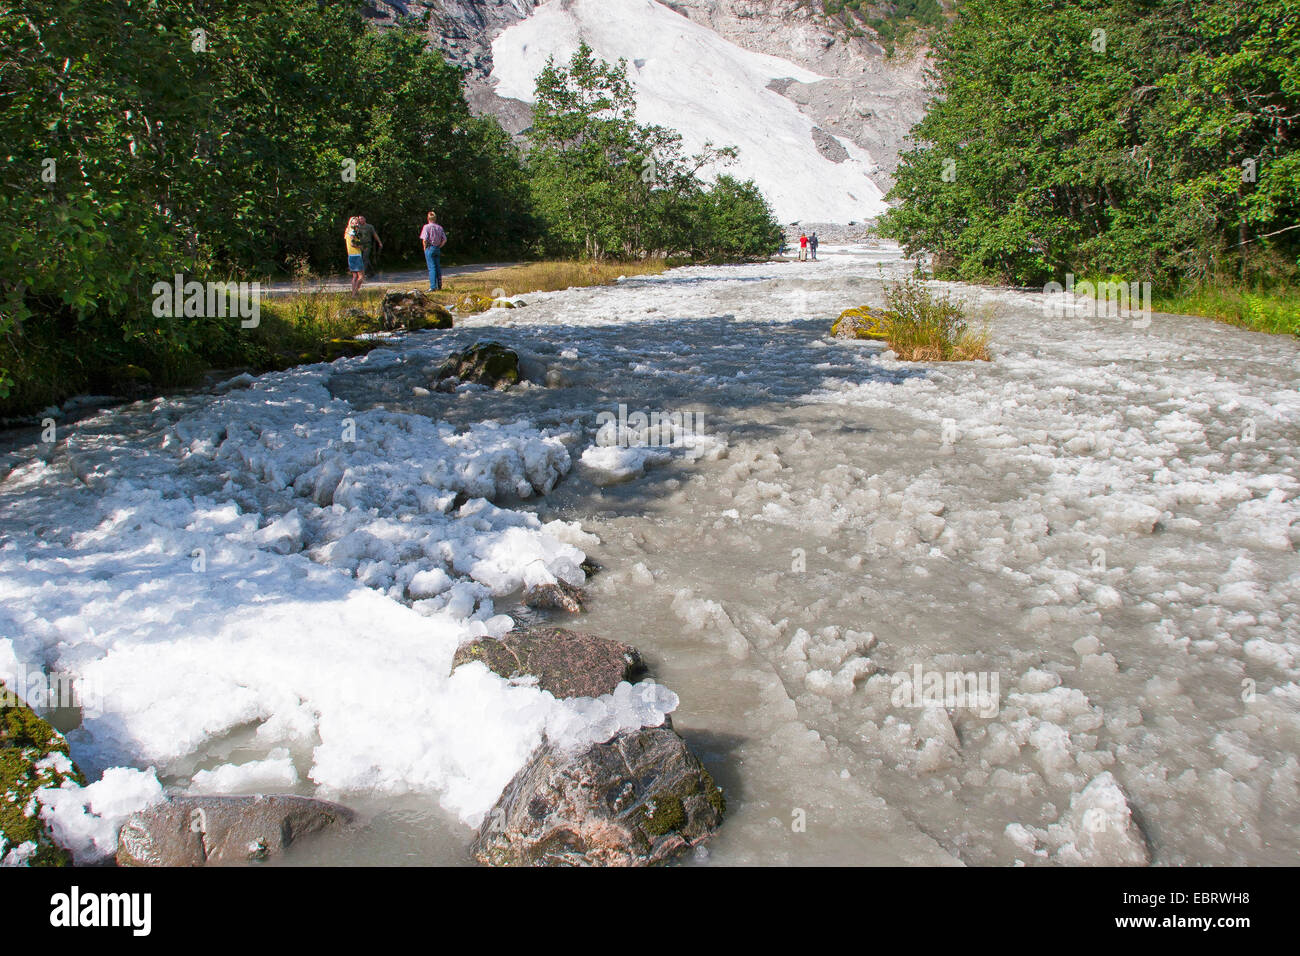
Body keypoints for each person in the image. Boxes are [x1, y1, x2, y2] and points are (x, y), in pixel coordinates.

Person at [420, 212, 448, 291]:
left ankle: (432, 287)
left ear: (428, 218)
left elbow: (425, 239)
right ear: (435, 218)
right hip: (437, 248)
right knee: (437, 267)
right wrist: (439, 246)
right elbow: (445, 239)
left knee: (431, 268)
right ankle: (439, 285)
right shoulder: (439, 227)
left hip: (430, 247)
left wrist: (424, 248)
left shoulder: (426, 227)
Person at [344, 216, 366, 294]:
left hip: (350, 256)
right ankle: (355, 292)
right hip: (356, 255)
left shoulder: (347, 231)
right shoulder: (352, 232)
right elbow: (352, 243)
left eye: (357, 222)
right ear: (351, 223)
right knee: (361, 276)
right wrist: (360, 246)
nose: (356, 224)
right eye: (355, 223)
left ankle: (354, 292)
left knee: (355, 276)